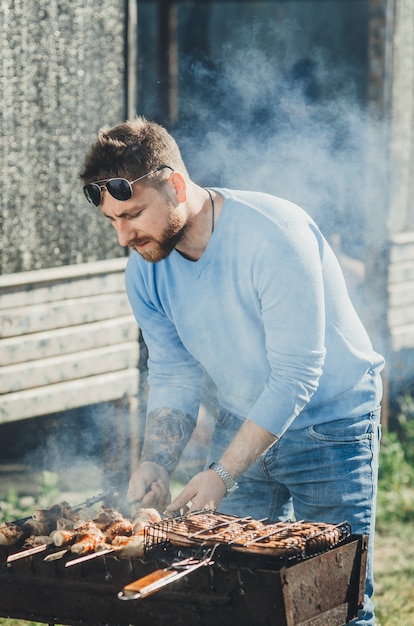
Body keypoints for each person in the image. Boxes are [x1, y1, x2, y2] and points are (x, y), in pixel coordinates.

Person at [80, 116, 384, 625]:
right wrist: (157, 462)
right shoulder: (145, 268)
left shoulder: (274, 236)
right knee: (234, 597)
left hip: (331, 426)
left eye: (132, 215)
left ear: (176, 184)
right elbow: (174, 371)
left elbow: (296, 375)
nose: (122, 236)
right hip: (242, 421)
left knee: (336, 603)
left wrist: (222, 473)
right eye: (113, 220)